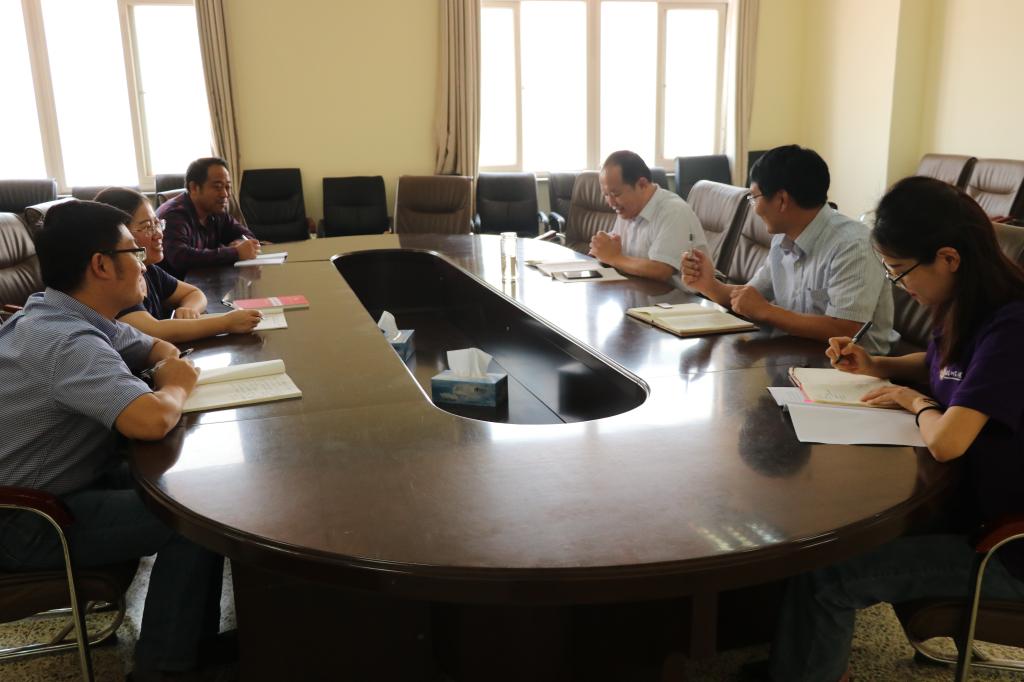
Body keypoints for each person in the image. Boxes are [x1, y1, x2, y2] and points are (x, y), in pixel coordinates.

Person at [763, 176, 1024, 682]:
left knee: (828, 576)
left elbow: (948, 442)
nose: (898, 285)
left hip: (1004, 549)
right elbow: (944, 365)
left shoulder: (1012, 327)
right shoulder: (969, 303)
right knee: (815, 528)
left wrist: (913, 400)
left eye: (898, 270)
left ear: (947, 258)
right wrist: (877, 365)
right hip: (967, 509)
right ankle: (801, 660)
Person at [0, 200, 226, 681]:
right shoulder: (65, 342)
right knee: (195, 519)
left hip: (65, 484)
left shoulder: (65, 313)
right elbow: (151, 420)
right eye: (133, 251)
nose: (144, 261)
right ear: (101, 265)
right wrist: (175, 385)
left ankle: (195, 642)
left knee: (198, 484)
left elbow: (158, 347)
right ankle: (166, 669)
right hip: (26, 520)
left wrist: (163, 371)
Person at [682, 145, 897, 354]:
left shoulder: (853, 245)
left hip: (852, 367)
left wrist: (767, 312)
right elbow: (748, 299)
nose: (754, 209)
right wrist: (708, 284)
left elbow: (846, 330)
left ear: (781, 200)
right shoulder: (782, 239)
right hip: (796, 354)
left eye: (754, 198)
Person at [94, 187, 262, 342]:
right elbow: (153, 331)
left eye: (157, 224)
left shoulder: (150, 271)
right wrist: (226, 323)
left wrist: (189, 309)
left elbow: (194, 293)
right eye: (147, 227)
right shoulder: (117, 285)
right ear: (120, 235)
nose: (159, 234)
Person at [589, 150, 709, 288]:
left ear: (642, 184)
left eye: (616, 194)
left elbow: (661, 270)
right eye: (606, 195)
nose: (610, 202)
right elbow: (615, 250)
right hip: (642, 292)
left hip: (681, 298)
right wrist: (601, 248)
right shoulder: (627, 209)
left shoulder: (673, 211)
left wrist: (614, 258)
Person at [157, 156, 260, 278]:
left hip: (207, 281)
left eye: (227, 187)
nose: (225, 194)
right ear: (194, 188)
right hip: (177, 286)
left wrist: (242, 243)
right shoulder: (174, 215)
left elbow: (246, 235)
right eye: (217, 187)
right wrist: (235, 252)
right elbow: (180, 257)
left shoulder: (216, 211)